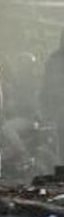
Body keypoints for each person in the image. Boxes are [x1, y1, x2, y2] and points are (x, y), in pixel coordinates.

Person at [41, 30, 64, 165]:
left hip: (59, 105)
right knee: (61, 138)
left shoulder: (54, 58)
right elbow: (47, 83)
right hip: (59, 105)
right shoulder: (54, 58)